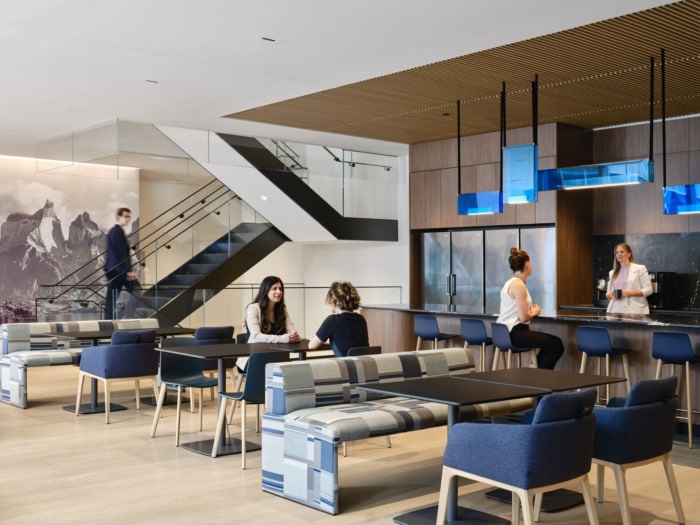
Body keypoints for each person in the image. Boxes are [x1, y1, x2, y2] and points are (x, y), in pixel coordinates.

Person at [496, 247, 563, 370]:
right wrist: (534, 312)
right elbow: (523, 317)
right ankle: (536, 374)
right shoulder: (519, 285)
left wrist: (528, 310)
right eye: (531, 262)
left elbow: (515, 309)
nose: (532, 265)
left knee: (553, 344)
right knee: (556, 345)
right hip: (515, 333)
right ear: (527, 264)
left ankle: (534, 370)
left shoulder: (510, 283)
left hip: (503, 332)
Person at [308, 281, 369, 357]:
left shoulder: (332, 320)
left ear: (334, 301)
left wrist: (316, 340)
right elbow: (348, 341)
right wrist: (326, 342)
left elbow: (312, 346)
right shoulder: (361, 319)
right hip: (364, 363)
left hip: (346, 364)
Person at [103, 207, 137, 320]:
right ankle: (127, 316)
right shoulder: (118, 232)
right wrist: (129, 271)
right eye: (125, 216)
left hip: (112, 269)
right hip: (120, 270)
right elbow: (123, 253)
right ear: (119, 217)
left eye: (129, 217)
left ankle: (108, 322)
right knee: (137, 291)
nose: (127, 219)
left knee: (111, 298)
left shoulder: (112, 231)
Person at [605, 242, 653, 315]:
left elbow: (649, 290)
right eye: (617, 252)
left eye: (622, 252)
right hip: (614, 310)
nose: (619, 254)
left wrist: (631, 293)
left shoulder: (640, 269)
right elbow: (608, 293)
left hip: (634, 311)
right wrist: (610, 295)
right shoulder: (612, 272)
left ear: (629, 254)